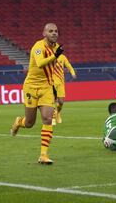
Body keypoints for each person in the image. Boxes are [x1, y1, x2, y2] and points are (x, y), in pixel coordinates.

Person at [10, 23, 64, 164]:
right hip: (31, 87)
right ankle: (18, 122)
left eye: (56, 31)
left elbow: (54, 68)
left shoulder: (57, 48)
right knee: (29, 123)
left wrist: (56, 87)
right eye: (51, 31)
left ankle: (43, 155)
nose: (54, 33)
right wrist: (55, 55)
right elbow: (40, 63)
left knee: (47, 118)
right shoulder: (38, 47)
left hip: (46, 87)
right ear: (44, 33)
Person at [52, 53, 77, 125]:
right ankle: (53, 118)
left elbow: (69, 66)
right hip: (51, 82)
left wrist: (73, 73)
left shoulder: (62, 57)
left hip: (60, 83)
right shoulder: (49, 57)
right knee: (52, 101)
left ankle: (58, 113)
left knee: (61, 102)